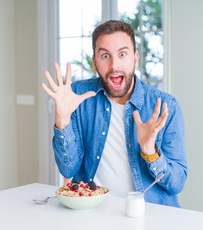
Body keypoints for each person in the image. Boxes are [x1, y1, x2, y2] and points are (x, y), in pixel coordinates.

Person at [42, 20, 187, 207]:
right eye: (105, 56)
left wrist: (150, 152)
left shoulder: (166, 106)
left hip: (149, 216)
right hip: (95, 212)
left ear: (135, 58)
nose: (114, 65)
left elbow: (177, 184)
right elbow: (68, 168)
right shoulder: (77, 96)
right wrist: (62, 120)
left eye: (122, 54)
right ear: (94, 62)